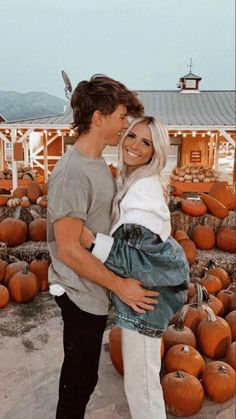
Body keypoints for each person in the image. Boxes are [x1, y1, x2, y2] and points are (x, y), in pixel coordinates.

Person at [47, 75, 160, 419]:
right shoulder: (72, 173)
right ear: (99, 117)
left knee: (85, 376)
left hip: (94, 290)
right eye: (122, 117)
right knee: (79, 380)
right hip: (78, 291)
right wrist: (120, 286)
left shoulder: (98, 163)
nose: (126, 126)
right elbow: (68, 248)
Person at [81, 116, 190, 419]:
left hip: (144, 304)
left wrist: (91, 240)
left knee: (143, 393)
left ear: (156, 152)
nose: (135, 146)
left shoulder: (144, 190)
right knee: (142, 387)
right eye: (132, 136)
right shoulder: (134, 180)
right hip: (141, 301)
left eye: (147, 143)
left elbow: (139, 260)